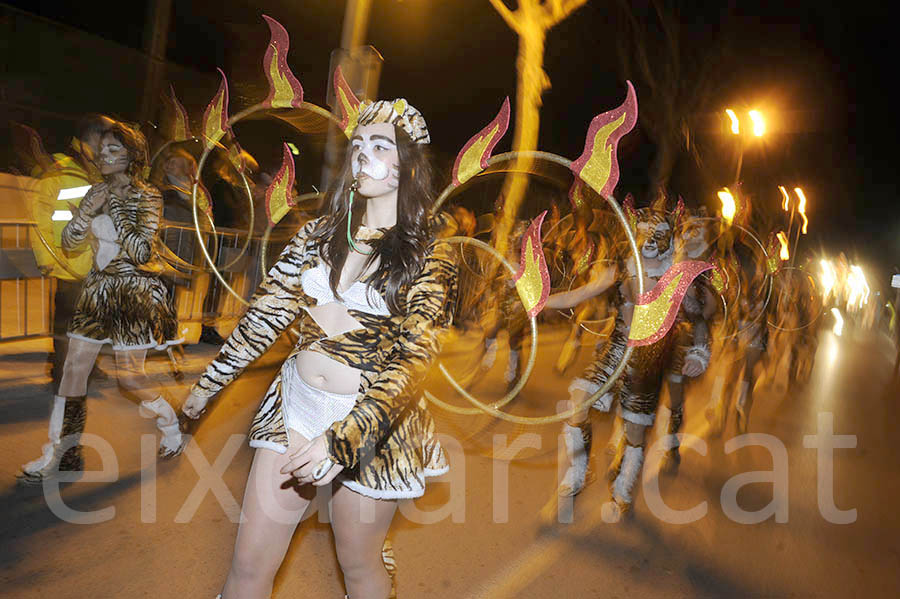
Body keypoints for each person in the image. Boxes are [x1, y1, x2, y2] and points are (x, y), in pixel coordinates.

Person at [182, 99, 457, 599]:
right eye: (357, 146)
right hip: (295, 408)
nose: (362, 156)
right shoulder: (317, 235)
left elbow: (412, 363)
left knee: (358, 562)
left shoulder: (430, 255)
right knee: (248, 565)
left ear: (407, 166)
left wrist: (343, 440)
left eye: (380, 145)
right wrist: (207, 386)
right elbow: (265, 315)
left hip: (375, 427)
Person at [18, 121, 186, 484]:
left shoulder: (148, 195)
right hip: (96, 291)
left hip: (133, 293)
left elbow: (141, 251)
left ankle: (170, 421)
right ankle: (60, 451)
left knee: (130, 378)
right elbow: (70, 243)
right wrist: (84, 212)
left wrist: (117, 206)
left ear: (132, 157)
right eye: (102, 149)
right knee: (73, 370)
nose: (104, 156)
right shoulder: (94, 190)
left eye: (114, 150)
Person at [26, 114, 114, 386]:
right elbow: (37, 217)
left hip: (96, 264)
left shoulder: (101, 173)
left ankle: (89, 366)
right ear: (93, 138)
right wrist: (47, 258)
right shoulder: (58, 170)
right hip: (67, 263)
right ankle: (62, 373)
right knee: (67, 325)